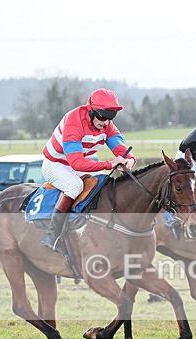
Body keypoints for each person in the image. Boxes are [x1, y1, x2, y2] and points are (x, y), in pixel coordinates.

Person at [40, 88, 136, 253]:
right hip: (55, 164)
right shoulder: (74, 120)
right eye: (103, 117)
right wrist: (109, 164)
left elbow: (122, 150)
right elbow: (77, 163)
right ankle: (52, 235)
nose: (106, 122)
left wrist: (129, 161)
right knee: (74, 186)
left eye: (111, 117)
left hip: (77, 164)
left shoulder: (106, 125)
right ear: (91, 111)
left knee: (105, 182)